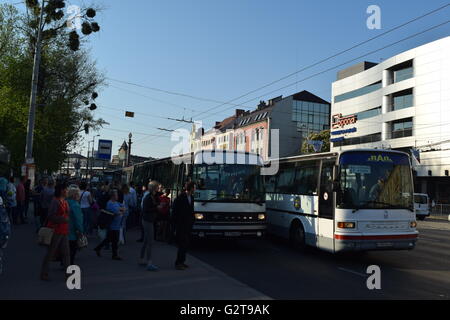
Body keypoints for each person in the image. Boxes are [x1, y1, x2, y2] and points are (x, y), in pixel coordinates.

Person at [40, 183, 70, 281]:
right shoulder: (55, 201)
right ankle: (44, 273)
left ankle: (68, 274)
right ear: (62, 190)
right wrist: (62, 219)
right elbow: (50, 216)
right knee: (51, 252)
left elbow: (67, 213)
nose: (67, 191)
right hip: (56, 230)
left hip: (63, 230)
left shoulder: (64, 201)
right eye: (66, 189)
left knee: (66, 253)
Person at [94, 189, 125, 260]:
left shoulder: (115, 203)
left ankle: (98, 248)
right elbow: (117, 212)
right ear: (113, 196)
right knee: (114, 240)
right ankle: (115, 255)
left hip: (116, 224)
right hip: (113, 225)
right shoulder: (110, 203)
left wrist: (121, 210)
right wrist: (121, 210)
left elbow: (123, 208)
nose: (118, 196)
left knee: (109, 239)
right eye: (116, 195)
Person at [172, 182, 196, 270]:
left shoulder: (191, 197)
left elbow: (191, 210)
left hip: (188, 225)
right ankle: (178, 263)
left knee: (186, 244)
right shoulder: (181, 198)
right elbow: (175, 211)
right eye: (194, 187)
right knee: (182, 244)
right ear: (190, 188)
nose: (195, 189)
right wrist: (175, 225)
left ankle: (182, 261)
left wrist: (193, 220)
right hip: (181, 225)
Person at [139, 181, 161, 271]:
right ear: (154, 188)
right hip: (148, 221)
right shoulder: (148, 197)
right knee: (150, 242)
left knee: (146, 241)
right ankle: (149, 262)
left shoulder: (151, 196)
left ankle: (141, 259)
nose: (159, 188)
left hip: (148, 220)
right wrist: (157, 207)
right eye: (157, 187)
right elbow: (146, 209)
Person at [66, 185, 84, 265]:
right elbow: (78, 220)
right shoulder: (76, 205)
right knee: (72, 250)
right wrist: (81, 231)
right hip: (72, 232)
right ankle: (69, 266)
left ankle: (64, 262)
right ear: (75, 195)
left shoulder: (65, 202)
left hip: (63, 229)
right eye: (78, 194)